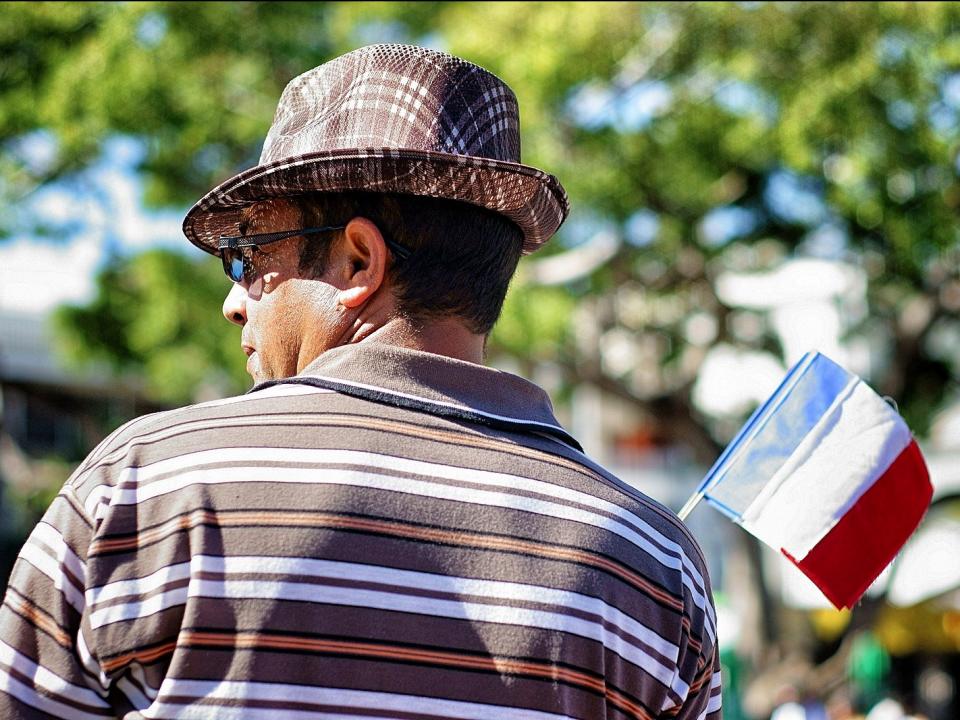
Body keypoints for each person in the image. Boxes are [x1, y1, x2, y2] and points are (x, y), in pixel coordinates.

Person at [0, 44, 721, 719]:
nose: (233, 300)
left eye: (246, 258)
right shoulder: (654, 562)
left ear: (357, 261)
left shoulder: (146, 487)